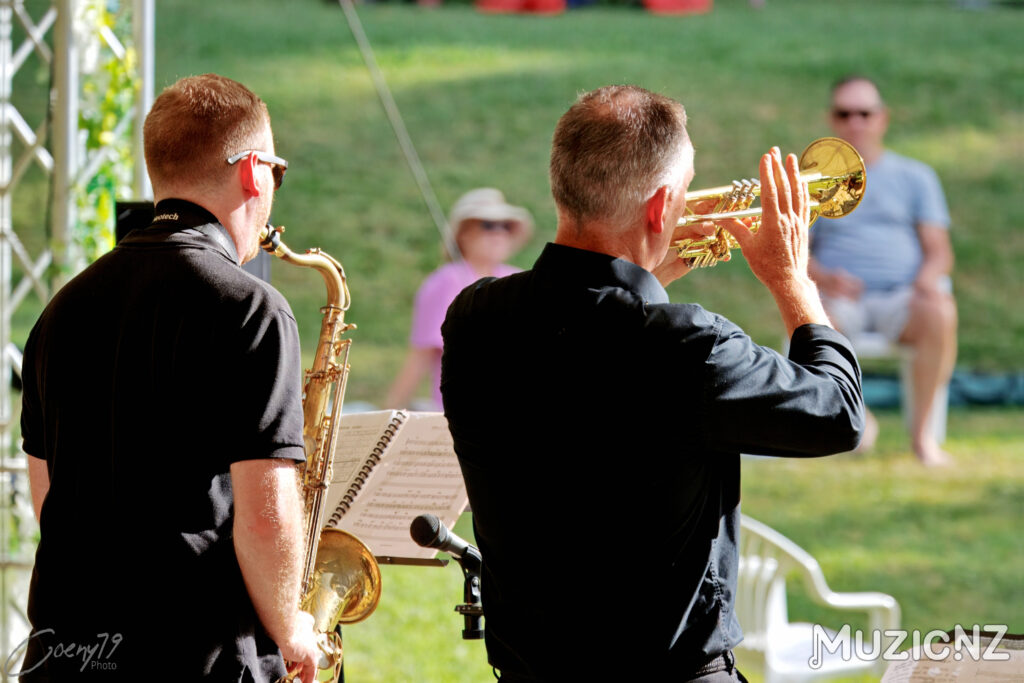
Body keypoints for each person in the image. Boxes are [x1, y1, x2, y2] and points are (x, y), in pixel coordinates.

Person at [440, 85, 865, 682]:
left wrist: (642, 276)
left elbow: (582, 347)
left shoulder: (473, 318)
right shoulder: (688, 344)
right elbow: (838, 413)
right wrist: (790, 278)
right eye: (689, 188)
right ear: (663, 205)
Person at [19, 74, 319, 681]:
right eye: (276, 175)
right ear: (253, 172)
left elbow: (48, 496)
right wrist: (294, 630)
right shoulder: (250, 309)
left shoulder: (61, 309)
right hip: (197, 655)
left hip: (68, 657)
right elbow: (265, 516)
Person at [809, 75, 957, 466]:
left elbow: (938, 251)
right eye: (845, 113)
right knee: (810, 314)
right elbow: (794, 254)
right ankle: (860, 421)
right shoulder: (816, 182)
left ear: (882, 118)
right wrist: (825, 278)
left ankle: (923, 438)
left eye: (865, 113)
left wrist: (926, 282)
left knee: (940, 309)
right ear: (832, 120)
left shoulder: (916, 177)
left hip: (901, 297)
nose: (855, 122)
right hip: (839, 301)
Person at [385, 188, 532, 410]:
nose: (499, 233)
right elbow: (420, 356)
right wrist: (385, 419)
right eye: (488, 225)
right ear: (463, 233)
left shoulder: (520, 278)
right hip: (465, 416)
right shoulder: (446, 281)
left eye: (506, 226)